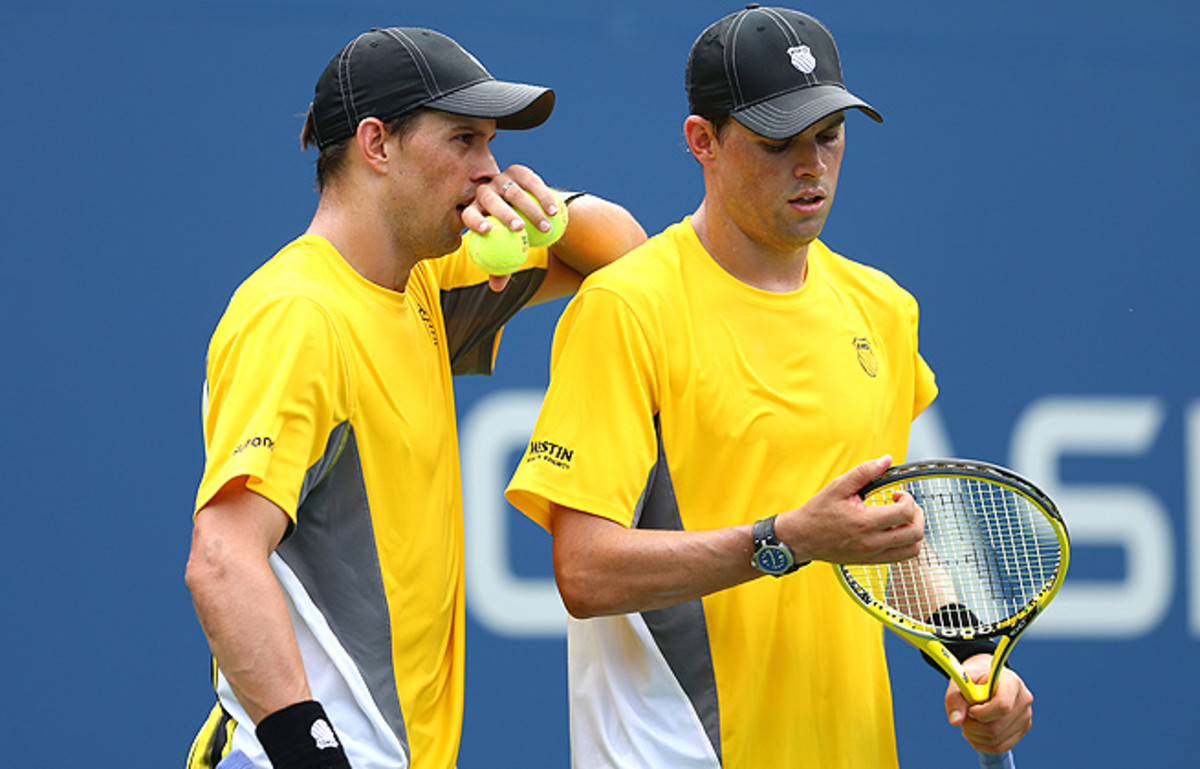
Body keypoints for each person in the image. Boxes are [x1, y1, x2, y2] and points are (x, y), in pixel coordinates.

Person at [505, 6, 1034, 768]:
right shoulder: (626, 309)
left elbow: (886, 534)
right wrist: (784, 541)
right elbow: (585, 570)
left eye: (829, 135)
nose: (811, 165)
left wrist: (974, 655)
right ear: (703, 142)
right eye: (777, 142)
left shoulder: (882, 310)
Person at [184, 26, 646, 769]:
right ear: (376, 144)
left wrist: (548, 210)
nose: (488, 170)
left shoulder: (424, 280)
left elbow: (626, 261)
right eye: (464, 140)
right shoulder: (298, 315)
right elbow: (221, 557)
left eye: (492, 145)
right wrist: (313, 752)